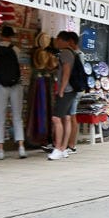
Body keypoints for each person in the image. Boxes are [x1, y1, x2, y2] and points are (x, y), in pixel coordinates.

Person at [0, 26, 27, 159]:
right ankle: (21, 148)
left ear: (1, 34)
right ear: (11, 36)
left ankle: (0, 150)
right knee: (17, 116)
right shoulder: (16, 49)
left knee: (0, 117)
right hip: (16, 85)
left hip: (0, 86)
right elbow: (20, 69)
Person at [48, 31, 78, 161]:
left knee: (56, 118)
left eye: (57, 39)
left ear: (61, 40)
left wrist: (61, 89)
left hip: (66, 90)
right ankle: (64, 148)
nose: (56, 42)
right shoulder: (72, 52)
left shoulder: (65, 53)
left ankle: (58, 148)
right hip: (71, 90)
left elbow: (66, 72)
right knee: (66, 118)